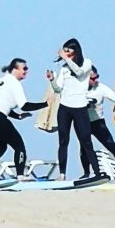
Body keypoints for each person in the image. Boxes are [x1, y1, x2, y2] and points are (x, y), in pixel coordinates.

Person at [0, 58, 49, 179]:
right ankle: (20, 175)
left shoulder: (1, 80)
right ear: (15, 69)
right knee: (19, 146)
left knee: (0, 147)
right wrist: (46, 104)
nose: (26, 71)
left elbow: (2, 104)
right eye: (24, 68)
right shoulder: (15, 83)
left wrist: (18, 116)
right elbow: (25, 106)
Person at [47, 37, 105, 181]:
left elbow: (79, 72)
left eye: (68, 51)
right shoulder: (64, 68)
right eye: (64, 51)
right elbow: (58, 89)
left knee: (86, 141)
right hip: (65, 108)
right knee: (63, 141)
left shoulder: (87, 63)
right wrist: (52, 79)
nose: (65, 53)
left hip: (80, 108)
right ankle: (62, 174)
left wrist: (66, 59)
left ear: (76, 51)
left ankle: (97, 173)